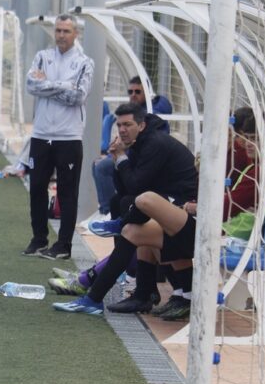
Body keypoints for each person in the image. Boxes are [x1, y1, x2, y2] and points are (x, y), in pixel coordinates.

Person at [53, 102, 198, 315]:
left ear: (141, 125)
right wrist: (116, 159)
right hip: (174, 215)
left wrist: (121, 159)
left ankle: (176, 293)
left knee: (145, 200)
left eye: (127, 124)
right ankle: (102, 299)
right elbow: (125, 189)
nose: (122, 130)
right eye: (119, 125)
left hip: (191, 218)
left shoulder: (155, 143)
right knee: (131, 228)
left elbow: (138, 187)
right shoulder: (139, 143)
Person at [22, 14, 94, 260]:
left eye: (66, 31)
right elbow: (31, 86)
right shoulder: (42, 57)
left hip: (69, 136)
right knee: (37, 187)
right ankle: (39, 239)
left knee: (67, 192)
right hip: (42, 134)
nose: (61, 35)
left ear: (76, 34)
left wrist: (49, 86)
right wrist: (64, 85)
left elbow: (79, 96)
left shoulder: (85, 63)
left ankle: (63, 245)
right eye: (59, 31)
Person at [91, 76, 173, 217]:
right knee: (98, 164)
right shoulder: (133, 110)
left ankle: (108, 213)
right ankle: (107, 210)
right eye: (130, 92)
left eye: (137, 92)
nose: (133, 95)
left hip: (146, 160)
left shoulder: (153, 115)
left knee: (102, 167)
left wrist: (121, 154)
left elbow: (148, 143)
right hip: (132, 153)